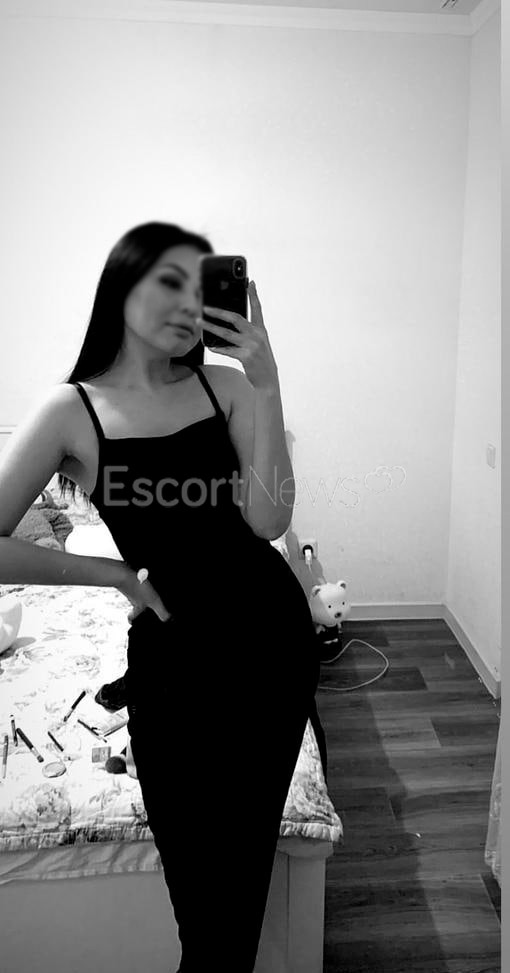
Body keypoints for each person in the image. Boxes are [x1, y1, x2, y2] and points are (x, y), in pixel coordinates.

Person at [0, 221, 327, 972]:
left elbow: (269, 520)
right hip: (174, 664)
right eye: (167, 283)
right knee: (202, 905)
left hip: (271, 653)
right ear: (123, 291)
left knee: (238, 888)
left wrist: (269, 384)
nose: (185, 304)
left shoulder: (228, 387)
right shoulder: (71, 410)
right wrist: (114, 575)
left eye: (196, 286)